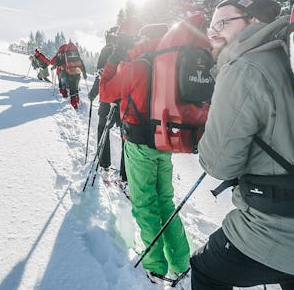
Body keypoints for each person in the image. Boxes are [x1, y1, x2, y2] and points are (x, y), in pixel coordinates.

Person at [191, 0, 294, 289]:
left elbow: (218, 164)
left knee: (204, 268)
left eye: (223, 22)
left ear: (254, 22)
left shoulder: (244, 68)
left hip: (278, 233)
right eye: (211, 25)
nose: (213, 32)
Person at [100, 24, 189, 284]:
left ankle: (155, 264)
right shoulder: (174, 64)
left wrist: (114, 58)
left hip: (140, 145)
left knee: (145, 204)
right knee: (166, 202)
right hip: (165, 143)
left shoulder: (139, 65)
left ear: (146, 38)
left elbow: (106, 92)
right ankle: (181, 260)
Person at [88, 26, 120, 174]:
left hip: (107, 97)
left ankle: (104, 163)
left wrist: (93, 93)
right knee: (127, 135)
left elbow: (101, 75)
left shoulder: (106, 51)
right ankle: (125, 176)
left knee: (103, 127)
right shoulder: (130, 51)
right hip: (125, 97)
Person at [35, 41, 86, 109]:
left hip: (64, 73)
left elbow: (53, 62)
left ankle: (71, 103)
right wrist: (84, 73)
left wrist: (39, 56)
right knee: (75, 87)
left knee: (65, 88)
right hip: (76, 72)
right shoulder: (72, 52)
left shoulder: (61, 53)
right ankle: (77, 101)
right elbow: (81, 63)